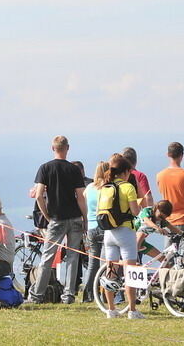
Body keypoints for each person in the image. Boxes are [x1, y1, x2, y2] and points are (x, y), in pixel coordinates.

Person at [25, 136, 86, 305]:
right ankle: (68, 296)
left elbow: (38, 195)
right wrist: (85, 218)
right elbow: (81, 197)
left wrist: (46, 215)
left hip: (56, 218)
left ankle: (37, 295)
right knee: (73, 257)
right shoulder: (74, 170)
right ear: (67, 148)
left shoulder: (45, 168)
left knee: (48, 257)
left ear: (53, 148)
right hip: (74, 217)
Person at [97, 154, 144, 319]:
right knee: (130, 271)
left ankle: (111, 309)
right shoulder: (127, 187)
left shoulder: (105, 187)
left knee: (110, 271)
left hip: (109, 233)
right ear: (126, 172)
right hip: (125, 233)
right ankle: (132, 310)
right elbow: (136, 212)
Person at [81, 161, 108, 303]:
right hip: (104, 227)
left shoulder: (89, 187)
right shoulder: (106, 188)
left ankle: (88, 293)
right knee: (106, 263)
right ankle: (106, 294)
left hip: (91, 227)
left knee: (92, 263)